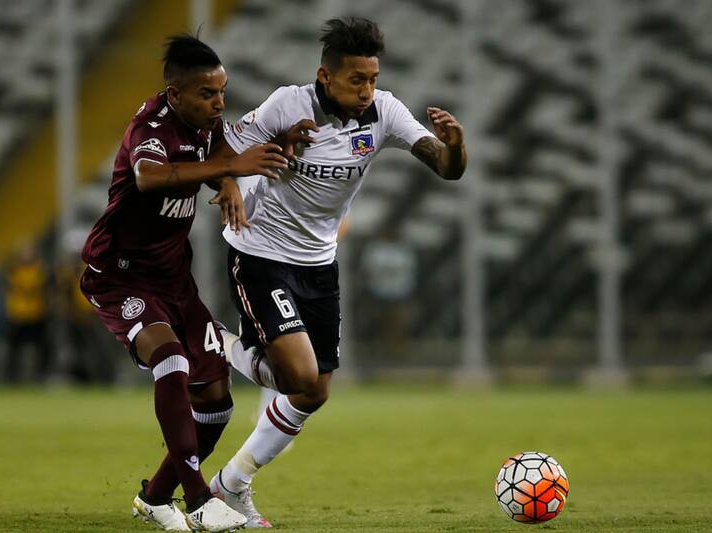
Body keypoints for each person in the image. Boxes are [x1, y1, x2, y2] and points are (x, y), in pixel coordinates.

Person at [208, 17, 467, 528]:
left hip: (319, 263)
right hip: (260, 252)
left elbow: (445, 167)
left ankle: (230, 485)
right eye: (357, 80)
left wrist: (455, 145)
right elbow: (223, 144)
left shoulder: (385, 111)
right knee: (298, 375)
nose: (368, 89)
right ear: (326, 77)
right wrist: (231, 185)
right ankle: (212, 341)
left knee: (313, 392)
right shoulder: (288, 103)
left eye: (372, 78)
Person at [79, 32, 289, 532]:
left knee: (215, 402)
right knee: (169, 359)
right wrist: (232, 166)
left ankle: (154, 497)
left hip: (174, 279)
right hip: (119, 276)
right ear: (175, 94)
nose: (219, 104)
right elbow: (150, 177)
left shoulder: (205, 126)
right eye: (207, 94)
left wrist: (233, 181)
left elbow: (217, 161)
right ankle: (198, 501)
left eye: (222, 92)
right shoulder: (150, 128)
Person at [3, 241, 52, 383]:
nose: (27, 254)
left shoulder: (41, 269)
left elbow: (46, 290)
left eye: (29, 251)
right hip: (17, 314)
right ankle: (11, 379)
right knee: (14, 350)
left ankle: (40, 377)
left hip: (37, 314)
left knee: (41, 348)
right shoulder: (12, 269)